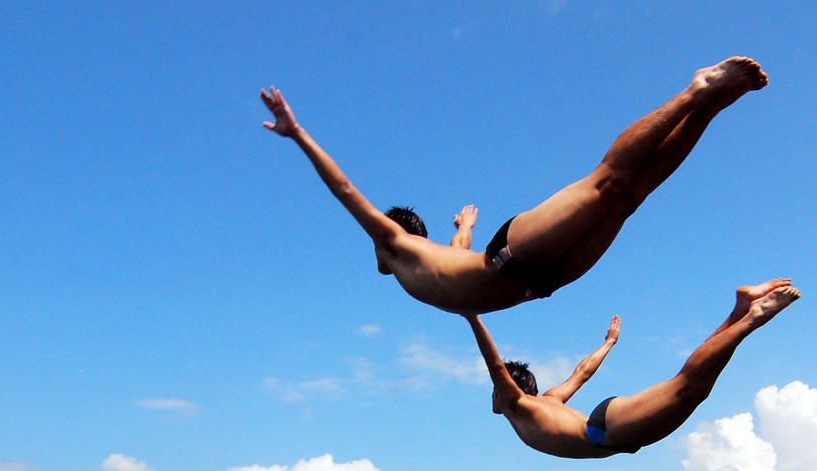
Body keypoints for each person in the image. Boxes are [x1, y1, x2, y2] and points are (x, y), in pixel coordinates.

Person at [260, 58, 768, 316]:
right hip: (544, 282)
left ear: (385, 234)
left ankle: (694, 90)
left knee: (608, 184)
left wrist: (297, 133)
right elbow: (455, 256)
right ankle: (714, 106)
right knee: (631, 198)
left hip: (512, 259)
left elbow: (345, 190)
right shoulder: (427, 256)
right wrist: (465, 226)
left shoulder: (392, 244)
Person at [466, 280, 800, 458]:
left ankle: (754, 318)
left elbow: (494, 363)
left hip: (602, 432)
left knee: (687, 387)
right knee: (692, 392)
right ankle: (740, 311)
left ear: (506, 389)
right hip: (613, 438)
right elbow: (581, 373)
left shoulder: (516, 404)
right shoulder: (550, 400)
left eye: (496, 388)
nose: (493, 395)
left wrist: (472, 315)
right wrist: (608, 343)